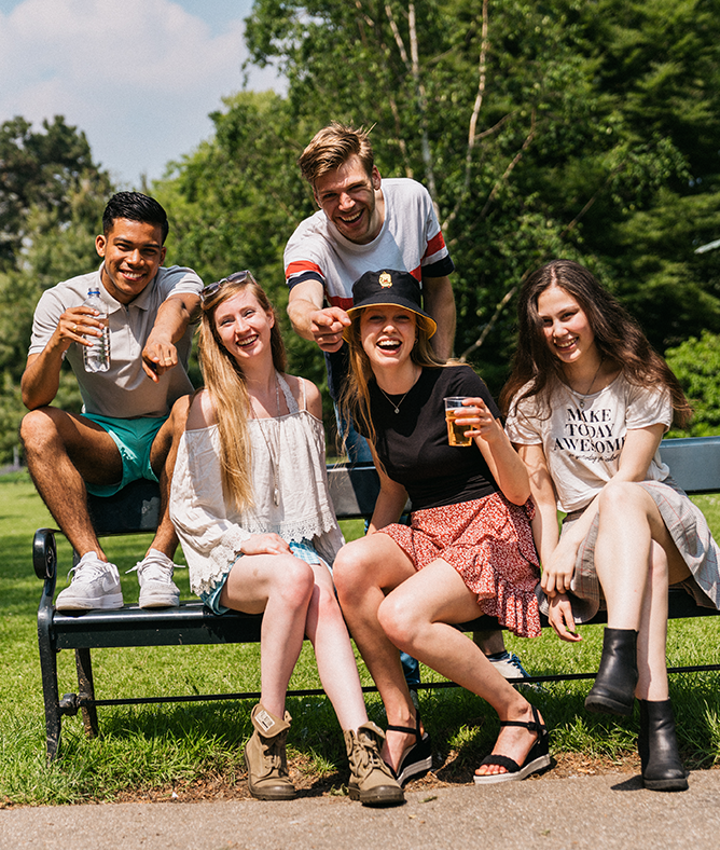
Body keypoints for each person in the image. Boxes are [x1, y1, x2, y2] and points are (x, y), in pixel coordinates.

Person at [285, 122, 525, 684]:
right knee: (390, 480)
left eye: (353, 188)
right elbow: (301, 298)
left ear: (374, 177)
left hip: (425, 350)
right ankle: (404, 640)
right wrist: (315, 321)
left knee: (464, 478)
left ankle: (488, 641)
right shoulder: (311, 238)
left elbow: (439, 287)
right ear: (315, 198)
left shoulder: (414, 200)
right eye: (328, 195)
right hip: (357, 368)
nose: (344, 203)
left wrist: (439, 368)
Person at [167, 271, 404, 806]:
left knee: (312, 580)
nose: (241, 328)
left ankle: (361, 749)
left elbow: (312, 499)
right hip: (233, 562)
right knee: (295, 575)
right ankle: (267, 736)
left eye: (249, 314)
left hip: (296, 553)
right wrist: (246, 543)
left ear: (271, 317)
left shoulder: (306, 396)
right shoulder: (208, 406)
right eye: (226, 321)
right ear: (217, 335)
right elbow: (186, 507)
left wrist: (332, 563)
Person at [502, 259, 720, 792]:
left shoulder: (640, 378)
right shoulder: (532, 400)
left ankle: (617, 658)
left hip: (657, 513)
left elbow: (631, 476)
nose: (559, 331)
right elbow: (542, 496)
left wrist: (571, 539)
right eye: (546, 321)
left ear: (591, 311)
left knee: (623, 498)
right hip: (610, 549)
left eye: (568, 314)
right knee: (636, 557)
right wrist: (549, 580)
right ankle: (656, 728)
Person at [332, 269, 548, 786]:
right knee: (349, 566)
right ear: (358, 331)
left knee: (402, 617)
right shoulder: (364, 402)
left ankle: (520, 716)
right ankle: (405, 725)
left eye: (401, 318)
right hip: (430, 532)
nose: (389, 329)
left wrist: (494, 435)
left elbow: (519, 492)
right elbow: (392, 492)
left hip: (491, 529)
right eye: (376, 319)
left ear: (418, 330)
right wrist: (357, 572)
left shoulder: (457, 383)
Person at [20, 192, 202, 612]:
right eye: (124, 246)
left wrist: (160, 336)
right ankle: (94, 565)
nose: (135, 261)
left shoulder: (176, 280)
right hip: (106, 441)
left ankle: (159, 561)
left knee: (198, 405)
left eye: (148, 251)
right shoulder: (62, 299)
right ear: (102, 245)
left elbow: (181, 305)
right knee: (35, 425)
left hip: (170, 436)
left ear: (162, 254)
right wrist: (57, 344)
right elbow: (33, 397)